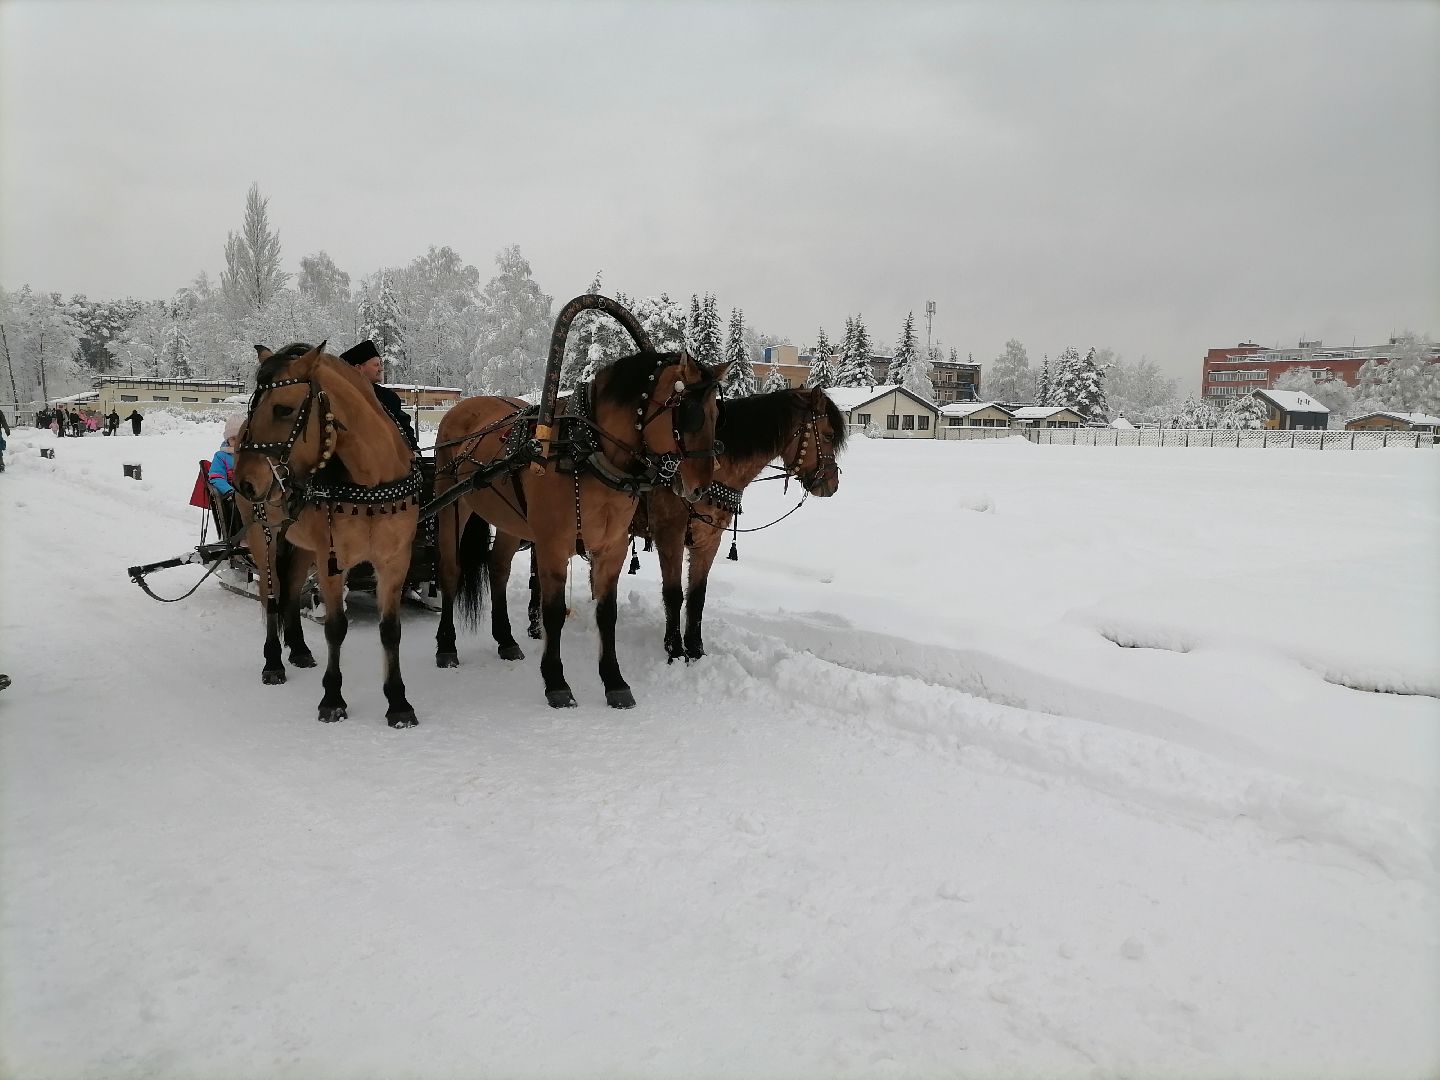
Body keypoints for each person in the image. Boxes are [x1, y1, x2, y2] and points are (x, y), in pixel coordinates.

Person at [340, 340, 420, 454]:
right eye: (376, 365)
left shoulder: (388, 397)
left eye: (381, 364)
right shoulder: (342, 398)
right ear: (358, 368)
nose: (381, 369)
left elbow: (404, 429)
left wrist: (414, 451)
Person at [208, 415, 244, 535]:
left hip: (249, 492)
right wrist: (229, 491)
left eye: (241, 437)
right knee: (236, 507)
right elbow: (216, 477)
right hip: (230, 494)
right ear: (227, 439)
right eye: (233, 438)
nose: (237, 441)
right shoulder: (221, 456)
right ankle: (238, 537)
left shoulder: (250, 455)